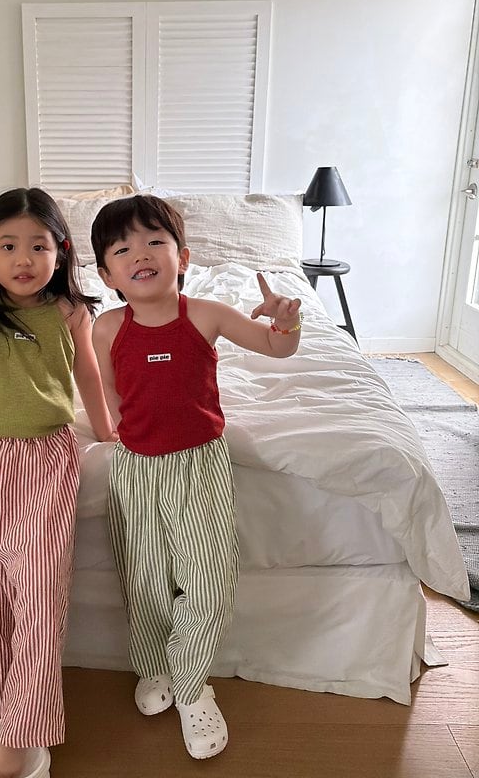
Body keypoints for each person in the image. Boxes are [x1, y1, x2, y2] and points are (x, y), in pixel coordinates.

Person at [90, 194, 301, 761]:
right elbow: (110, 392)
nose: (141, 254)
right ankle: (153, 666)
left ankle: (191, 684)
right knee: (145, 579)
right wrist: (116, 434)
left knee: (208, 580)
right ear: (107, 275)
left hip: (199, 465)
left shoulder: (206, 314)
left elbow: (275, 348)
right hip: (136, 469)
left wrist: (286, 322)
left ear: (182, 257)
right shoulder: (106, 327)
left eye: (155, 241)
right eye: (122, 249)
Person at [0, 187, 115, 778]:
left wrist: (106, 431)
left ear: (60, 252)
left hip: (44, 458)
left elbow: (87, 373)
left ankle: (23, 741)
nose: (24, 259)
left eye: (39, 246)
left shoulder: (70, 312)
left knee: (37, 590)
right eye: (9, 246)